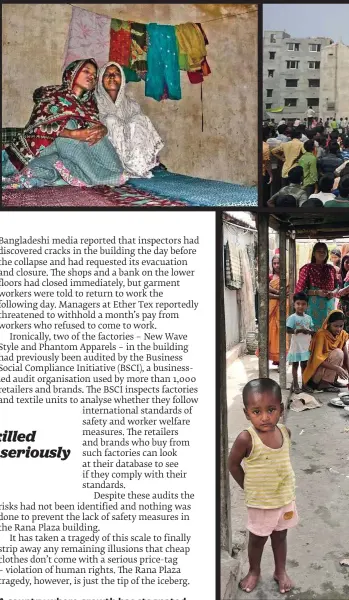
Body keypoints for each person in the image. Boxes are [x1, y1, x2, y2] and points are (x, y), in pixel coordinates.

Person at [2, 59, 127, 188]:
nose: (91, 76)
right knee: (69, 125)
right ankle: (99, 177)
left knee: (94, 130)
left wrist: (103, 129)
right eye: (86, 71)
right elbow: (38, 126)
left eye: (94, 75)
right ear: (72, 73)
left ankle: (113, 171)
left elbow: (90, 135)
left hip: (59, 154)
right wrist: (72, 133)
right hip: (37, 147)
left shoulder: (90, 104)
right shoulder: (52, 94)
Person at [228, 378, 297, 595]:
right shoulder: (246, 438)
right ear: (247, 413)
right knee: (257, 540)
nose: (265, 417)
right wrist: (247, 487)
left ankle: (280, 571)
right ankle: (254, 571)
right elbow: (232, 464)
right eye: (257, 411)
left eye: (271, 410)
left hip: (284, 499)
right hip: (260, 503)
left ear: (281, 409)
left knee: (280, 536)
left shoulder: (285, 432)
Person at [95, 62, 164, 179]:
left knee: (140, 119)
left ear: (122, 79)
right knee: (111, 120)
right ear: (101, 79)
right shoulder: (93, 103)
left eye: (116, 74)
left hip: (133, 159)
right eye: (107, 74)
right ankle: (116, 169)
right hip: (106, 157)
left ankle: (137, 166)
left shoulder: (131, 104)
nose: (112, 77)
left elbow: (141, 132)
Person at [295, 242, 338, 331]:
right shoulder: (307, 268)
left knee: (328, 331)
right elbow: (299, 291)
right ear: (314, 253)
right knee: (313, 332)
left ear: (327, 253)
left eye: (324, 251)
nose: (322, 253)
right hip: (313, 306)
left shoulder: (331, 269)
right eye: (319, 251)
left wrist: (332, 293)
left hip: (329, 305)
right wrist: (316, 292)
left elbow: (337, 287)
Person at [302, 310, 349, 393]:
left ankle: (331, 381)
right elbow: (317, 360)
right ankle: (324, 383)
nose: (339, 329)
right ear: (329, 324)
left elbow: (346, 357)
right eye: (335, 326)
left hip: (329, 372)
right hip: (317, 375)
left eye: (341, 326)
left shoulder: (343, 334)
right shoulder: (321, 335)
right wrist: (337, 368)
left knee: (341, 353)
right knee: (338, 352)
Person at [286, 292, 315, 393]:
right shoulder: (292, 317)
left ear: (307, 305)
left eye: (303, 304)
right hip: (296, 346)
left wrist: (311, 332)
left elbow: (311, 328)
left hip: (305, 346)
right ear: (294, 304)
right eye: (298, 303)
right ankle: (296, 385)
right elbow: (288, 330)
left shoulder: (308, 318)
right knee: (295, 365)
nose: (300, 306)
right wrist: (297, 331)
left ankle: (304, 384)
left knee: (304, 366)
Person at [337, 255, 349, 333]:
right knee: (341, 328)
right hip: (342, 305)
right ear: (343, 263)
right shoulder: (339, 275)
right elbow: (336, 291)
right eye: (347, 262)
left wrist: (345, 289)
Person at [263, 126, 273, 204]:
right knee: (265, 194)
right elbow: (267, 163)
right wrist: (271, 175)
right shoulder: (266, 146)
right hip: (263, 173)